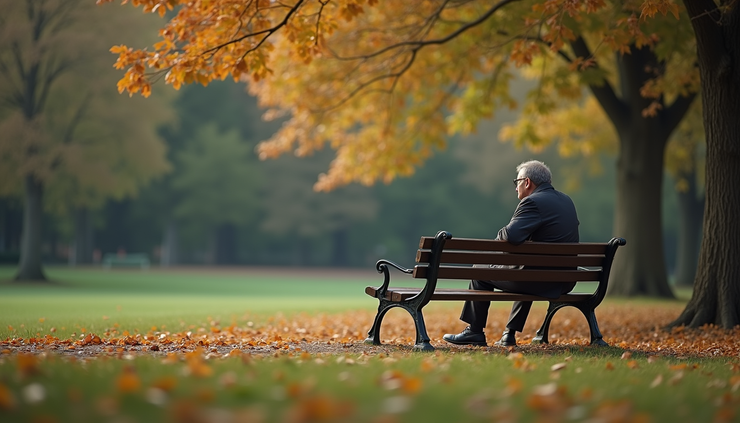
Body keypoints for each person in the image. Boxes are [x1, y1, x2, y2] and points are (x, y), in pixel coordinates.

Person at [443, 160, 580, 347]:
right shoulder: (567, 201)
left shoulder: (532, 202)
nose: (516, 188)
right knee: (528, 270)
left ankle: (474, 332)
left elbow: (511, 237)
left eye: (517, 182)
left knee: (479, 269)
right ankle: (509, 334)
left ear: (527, 182)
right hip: (564, 281)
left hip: (536, 280)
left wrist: (501, 232)